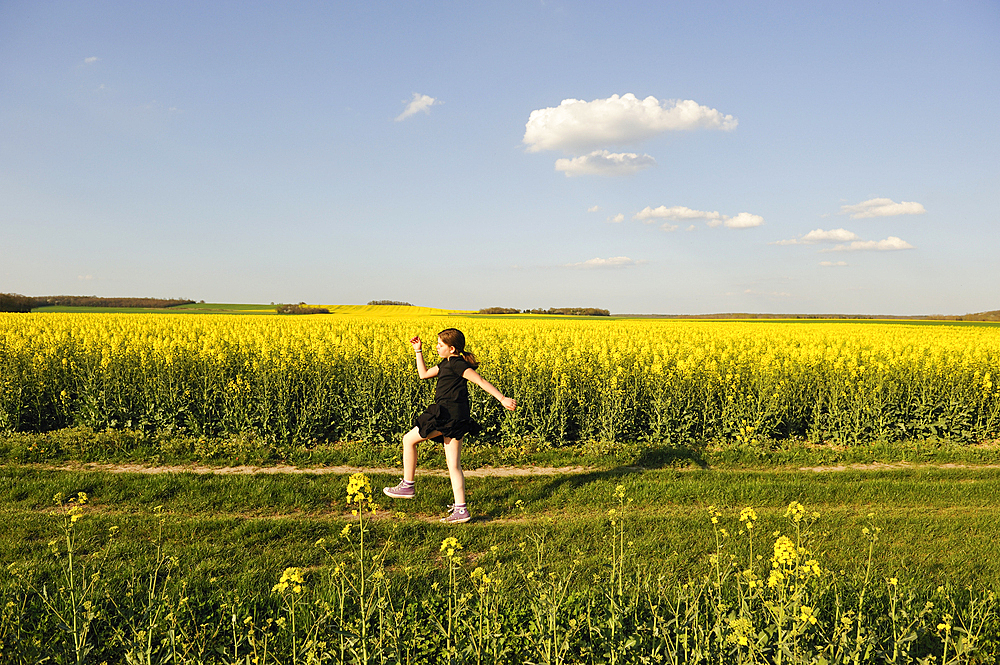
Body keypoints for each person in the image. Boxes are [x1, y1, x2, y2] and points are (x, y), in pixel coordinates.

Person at [382, 328, 516, 523]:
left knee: (408, 439)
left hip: (448, 415)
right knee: (453, 464)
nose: (436, 347)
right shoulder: (446, 363)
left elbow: (479, 380)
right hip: (455, 416)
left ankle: (408, 485)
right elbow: (424, 374)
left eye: (440, 344)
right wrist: (418, 351)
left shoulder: (457, 364)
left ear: (452, 348)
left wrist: (502, 398)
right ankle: (461, 509)